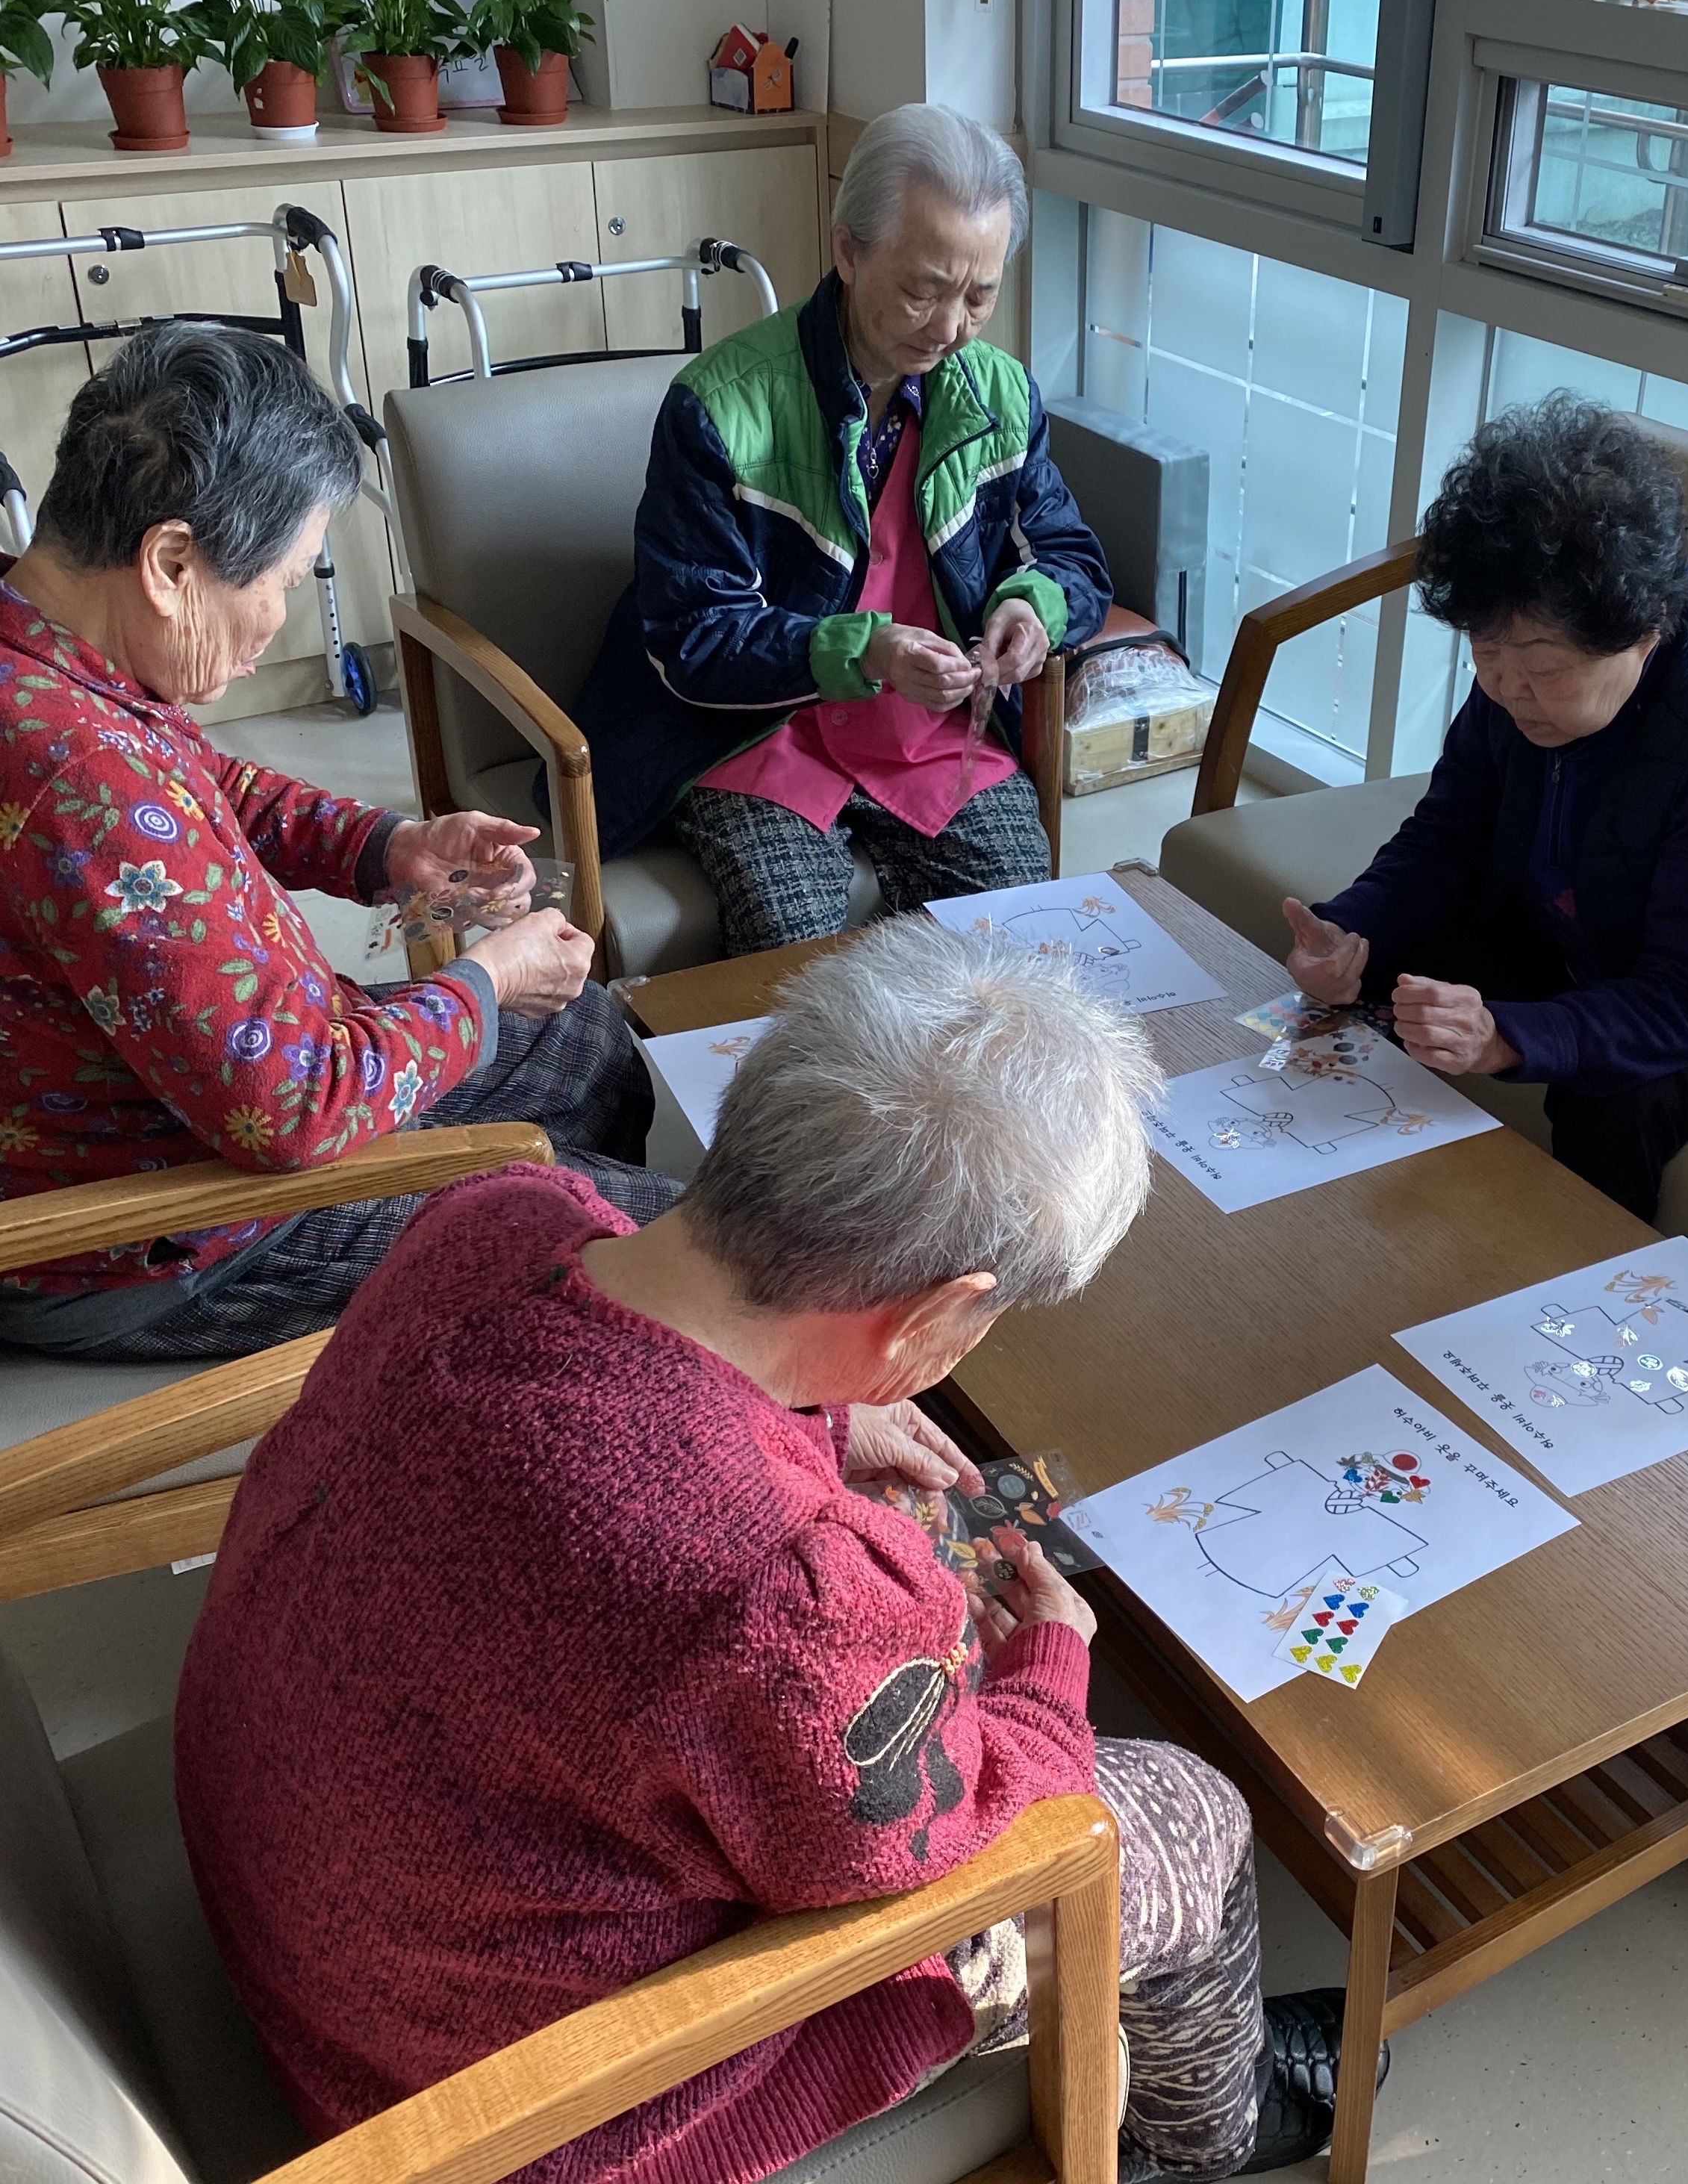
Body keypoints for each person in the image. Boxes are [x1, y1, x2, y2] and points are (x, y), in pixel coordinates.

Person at [174, 916, 1368, 2184]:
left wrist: (822, 1410)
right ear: (945, 1309)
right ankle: (1208, 2128)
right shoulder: (782, 1588)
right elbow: (911, 1844)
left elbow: (604, 1385)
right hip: (482, 2100)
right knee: (1191, 1811)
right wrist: (1049, 1671)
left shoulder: (497, 1215)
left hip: (304, 1887)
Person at [0, 323, 674, 1363]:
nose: (282, 620)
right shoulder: (76, 776)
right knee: (644, 1240)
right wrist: (485, 982)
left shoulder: (57, 641)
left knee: (582, 1035)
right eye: (283, 580)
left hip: (237, 1080)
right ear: (172, 562)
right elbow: (297, 1109)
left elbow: (207, 784)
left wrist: (390, 847)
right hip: (174, 1232)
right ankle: (563, 1313)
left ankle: (539, 1254)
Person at [1283, 395, 1688, 1222]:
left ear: (1646, 629)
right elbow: (1449, 835)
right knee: (1399, 970)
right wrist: (1349, 931)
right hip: (1604, 923)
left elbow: (1685, 1000)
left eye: (1542, 668)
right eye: (1485, 652)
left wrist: (1504, 1038)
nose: (1507, 688)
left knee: (1614, 1091)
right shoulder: (1525, 649)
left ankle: (1568, 1278)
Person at [572, 103, 1112, 956]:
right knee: (793, 943)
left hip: (927, 729)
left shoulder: (1000, 395)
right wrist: (866, 652)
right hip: (757, 732)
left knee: (1018, 916)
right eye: (923, 290)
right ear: (849, 252)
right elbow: (693, 636)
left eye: (980, 295)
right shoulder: (720, 407)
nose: (951, 329)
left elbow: (1071, 557)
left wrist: (1032, 606)